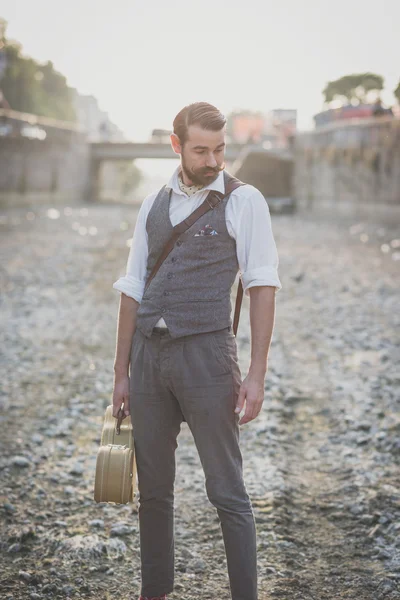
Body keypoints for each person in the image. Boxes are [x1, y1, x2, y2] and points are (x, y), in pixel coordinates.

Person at [112, 102, 282, 600]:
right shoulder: (153, 202)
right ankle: (155, 593)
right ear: (177, 145)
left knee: (227, 492)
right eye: (201, 150)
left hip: (207, 356)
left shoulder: (244, 201)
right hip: (148, 358)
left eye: (220, 149)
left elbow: (262, 283)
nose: (213, 161)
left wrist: (256, 374)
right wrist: (120, 373)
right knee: (154, 494)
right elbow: (131, 286)